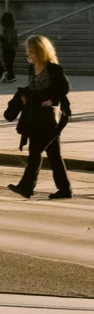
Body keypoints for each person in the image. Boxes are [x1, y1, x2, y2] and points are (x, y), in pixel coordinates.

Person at [4, 35, 72, 200]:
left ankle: (27, 186)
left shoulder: (53, 68)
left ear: (39, 50)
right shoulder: (32, 67)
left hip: (51, 117)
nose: (28, 53)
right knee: (54, 154)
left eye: (30, 50)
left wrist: (52, 99)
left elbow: (64, 88)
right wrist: (25, 96)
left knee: (35, 151)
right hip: (36, 116)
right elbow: (33, 87)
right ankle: (64, 189)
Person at [1, 12, 17, 82]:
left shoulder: (6, 30)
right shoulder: (14, 29)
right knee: (10, 64)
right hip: (12, 49)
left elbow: (7, 41)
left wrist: (2, 39)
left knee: (7, 63)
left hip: (6, 48)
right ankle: (9, 76)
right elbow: (15, 41)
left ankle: (10, 76)